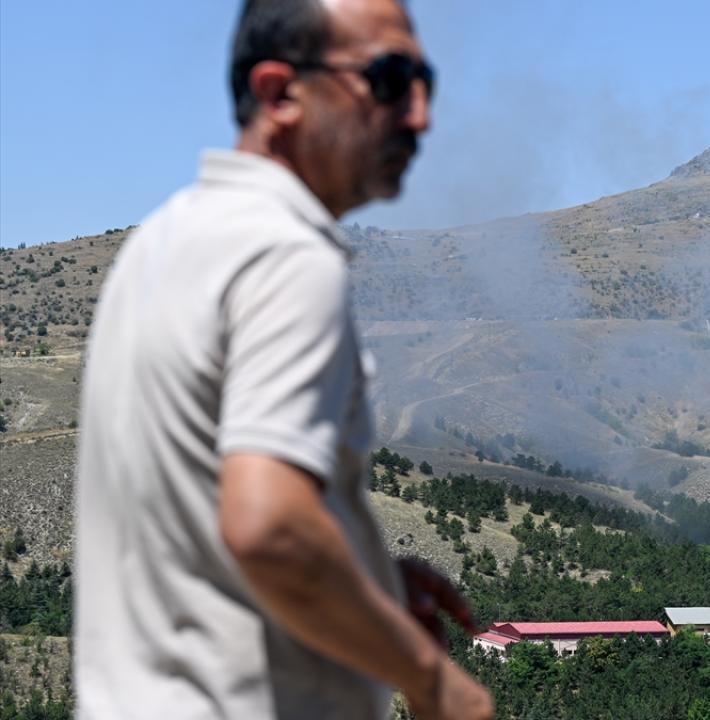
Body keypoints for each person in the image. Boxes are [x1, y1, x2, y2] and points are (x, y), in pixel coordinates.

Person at [73, 1, 493, 718]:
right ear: (279, 92)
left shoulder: (161, 243)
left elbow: (192, 527)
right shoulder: (287, 259)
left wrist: (366, 585)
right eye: (391, 81)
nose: (420, 117)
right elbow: (268, 527)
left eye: (426, 84)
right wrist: (431, 679)